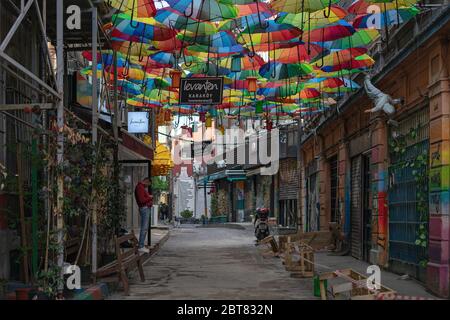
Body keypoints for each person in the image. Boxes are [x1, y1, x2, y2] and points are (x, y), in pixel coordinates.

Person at [134, 177, 153, 253]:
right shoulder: (140, 187)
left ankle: (141, 245)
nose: (147, 187)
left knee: (145, 227)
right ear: (146, 181)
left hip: (145, 208)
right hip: (144, 208)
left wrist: (148, 198)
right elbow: (142, 200)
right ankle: (141, 246)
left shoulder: (141, 187)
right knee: (144, 227)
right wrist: (150, 197)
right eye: (148, 185)